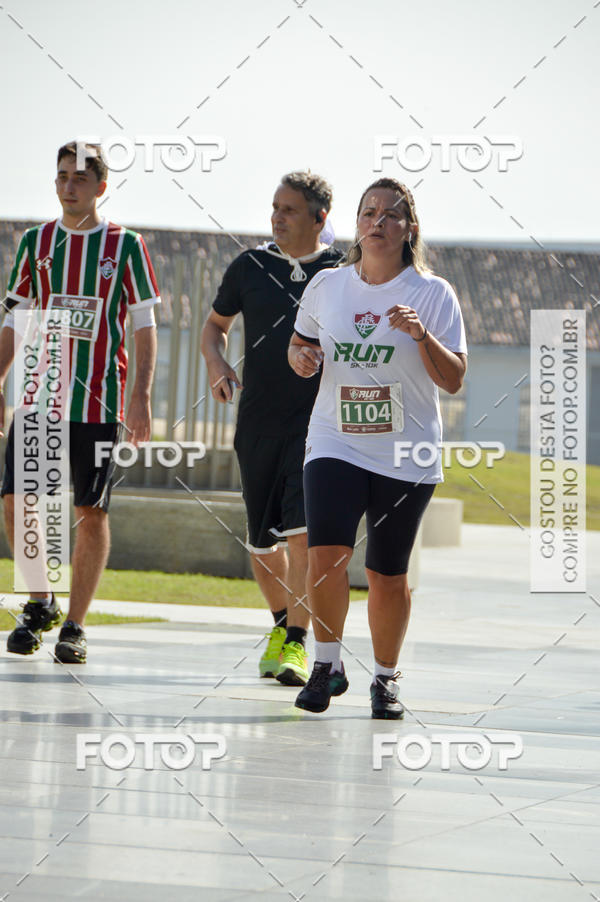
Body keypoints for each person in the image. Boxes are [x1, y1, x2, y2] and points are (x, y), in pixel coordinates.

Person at [288, 177, 467, 717]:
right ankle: (325, 665)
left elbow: (454, 378)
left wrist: (420, 335)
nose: (378, 222)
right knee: (326, 556)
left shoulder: (432, 294)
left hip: (406, 451)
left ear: (409, 228)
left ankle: (385, 680)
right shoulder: (327, 286)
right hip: (334, 440)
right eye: (369, 212)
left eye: (391, 215)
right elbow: (301, 344)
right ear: (357, 223)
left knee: (387, 574)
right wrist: (300, 358)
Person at [0, 141, 160, 663]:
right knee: (18, 500)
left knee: (89, 511)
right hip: (38, 396)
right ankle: (40, 600)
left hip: (98, 404)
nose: (69, 186)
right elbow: (14, 319)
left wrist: (140, 397)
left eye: (80, 178)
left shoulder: (125, 245)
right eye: (62, 176)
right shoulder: (35, 242)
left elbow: (144, 327)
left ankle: (74, 625)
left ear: (101, 187)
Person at [201, 172, 343, 686]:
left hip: (318, 431)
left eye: (289, 210)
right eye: (275, 208)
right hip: (255, 424)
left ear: (319, 218)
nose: (277, 218)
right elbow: (213, 327)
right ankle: (284, 625)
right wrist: (218, 365)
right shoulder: (249, 266)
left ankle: (298, 644)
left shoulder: (341, 272)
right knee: (263, 546)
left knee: (304, 536)